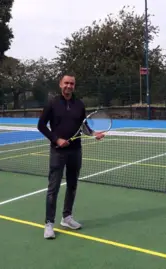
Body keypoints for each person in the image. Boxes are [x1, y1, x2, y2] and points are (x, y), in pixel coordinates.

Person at [37, 74, 105, 239]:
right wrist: (56, 139)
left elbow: (84, 127)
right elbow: (41, 125)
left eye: (72, 84)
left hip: (76, 151)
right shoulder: (52, 103)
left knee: (72, 186)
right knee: (53, 188)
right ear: (60, 84)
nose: (69, 86)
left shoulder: (80, 105)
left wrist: (93, 133)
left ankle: (67, 218)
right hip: (57, 152)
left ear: (74, 86)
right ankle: (49, 224)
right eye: (66, 83)